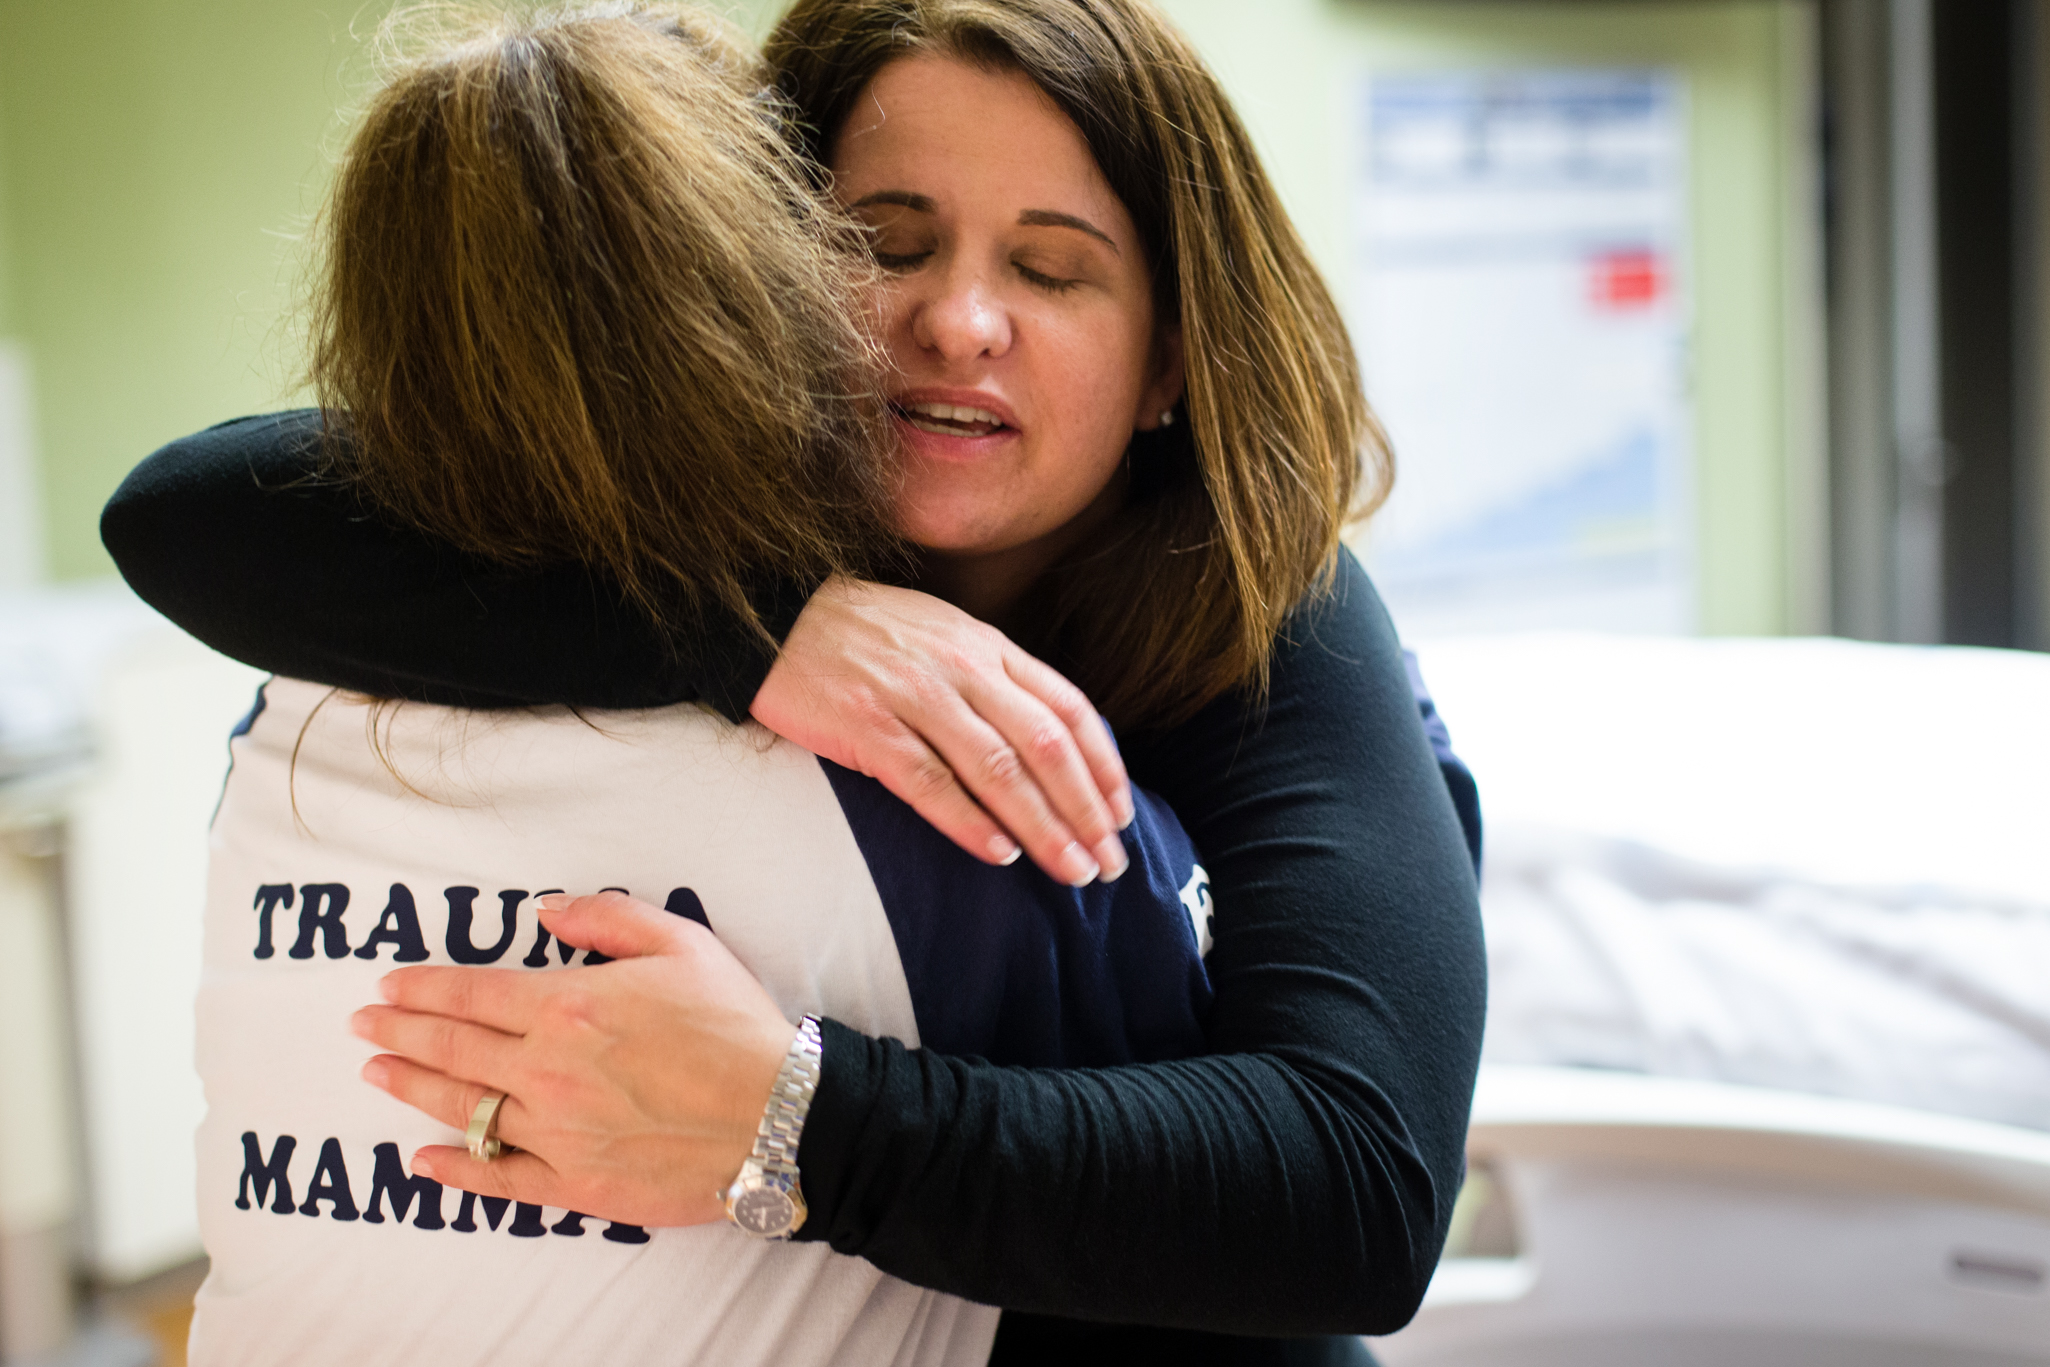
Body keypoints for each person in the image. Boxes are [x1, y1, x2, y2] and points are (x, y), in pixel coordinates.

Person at [104, 1, 1488, 1362]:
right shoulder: (673, 551)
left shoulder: (1267, 621)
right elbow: (186, 511)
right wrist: (762, 631)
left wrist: (788, 1118)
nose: (958, 321)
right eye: (882, 244)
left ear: (1167, 364)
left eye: (1053, 271)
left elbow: (1358, 1196)